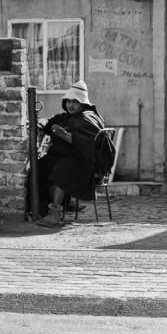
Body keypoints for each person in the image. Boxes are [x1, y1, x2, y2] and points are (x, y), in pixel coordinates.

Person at [35, 80, 106, 228]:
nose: (71, 105)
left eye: (75, 102)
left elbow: (89, 143)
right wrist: (41, 125)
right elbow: (48, 122)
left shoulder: (88, 119)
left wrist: (65, 135)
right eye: (69, 101)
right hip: (58, 157)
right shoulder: (63, 117)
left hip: (81, 161)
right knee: (38, 168)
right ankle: (40, 209)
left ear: (83, 104)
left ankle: (54, 214)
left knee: (62, 170)